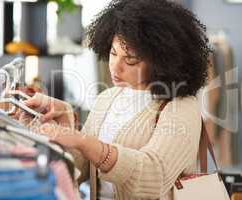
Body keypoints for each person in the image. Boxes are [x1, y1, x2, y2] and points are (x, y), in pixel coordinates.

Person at [17, 0, 210, 199]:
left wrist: (84, 141)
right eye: (113, 53)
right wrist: (60, 126)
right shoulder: (107, 98)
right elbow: (81, 169)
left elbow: (153, 177)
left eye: (131, 60)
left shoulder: (181, 108)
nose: (115, 67)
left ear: (162, 61)